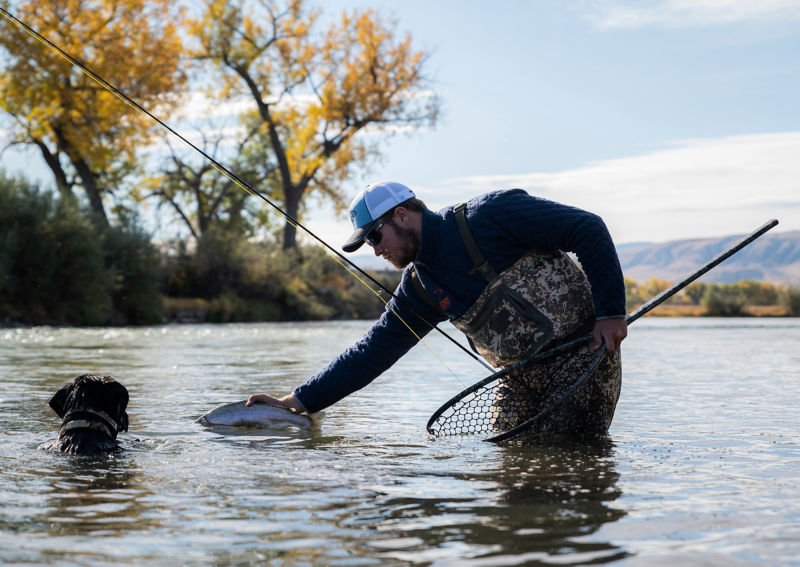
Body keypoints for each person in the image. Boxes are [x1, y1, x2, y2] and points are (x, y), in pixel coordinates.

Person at [248, 181, 628, 437]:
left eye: (375, 236)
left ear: (402, 214)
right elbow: (369, 354)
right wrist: (295, 401)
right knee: (508, 467)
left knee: (558, 458)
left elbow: (588, 228)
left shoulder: (492, 214)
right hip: (520, 379)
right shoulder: (418, 288)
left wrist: (611, 312)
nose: (376, 250)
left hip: (584, 357)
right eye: (367, 245)